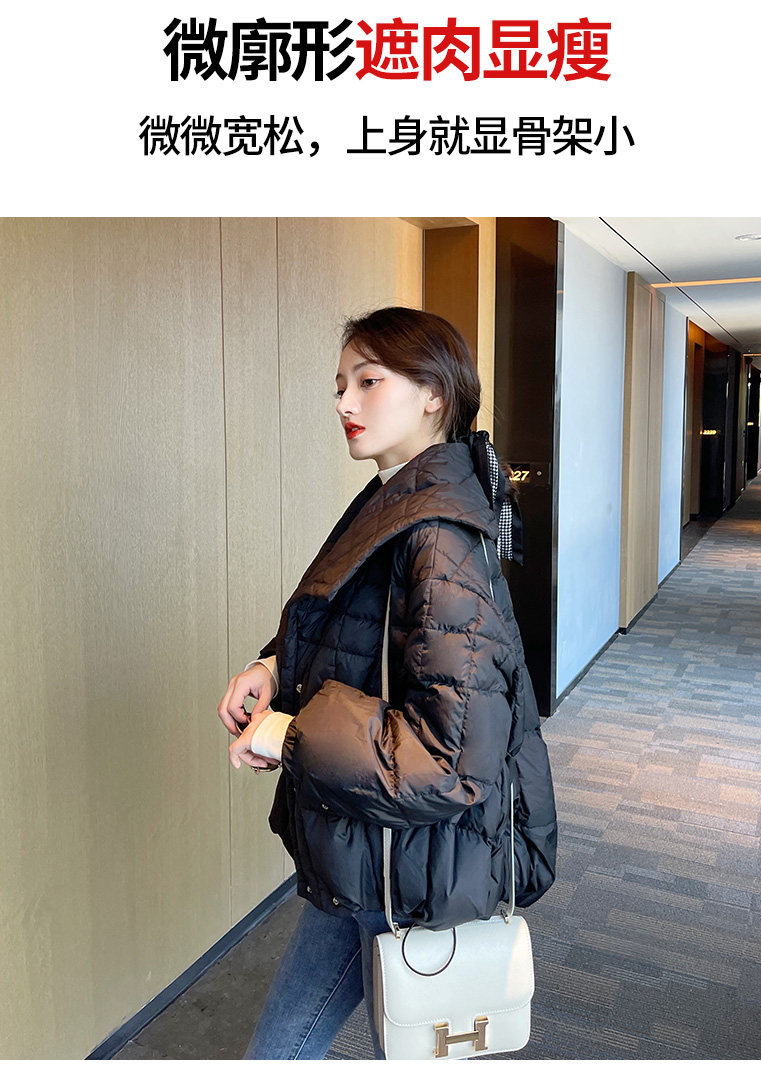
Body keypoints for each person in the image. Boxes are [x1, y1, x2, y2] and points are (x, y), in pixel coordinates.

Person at [216, 306, 557, 1060]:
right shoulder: (397, 500)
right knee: (287, 1053)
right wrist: (272, 667)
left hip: (411, 858)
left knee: (358, 1051)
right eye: (340, 384)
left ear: (434, 394)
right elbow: (361, 627)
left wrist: (288, 733)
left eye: (368, 381)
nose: (345, 401)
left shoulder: (437, 536)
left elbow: (446, 759)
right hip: (371, 845)